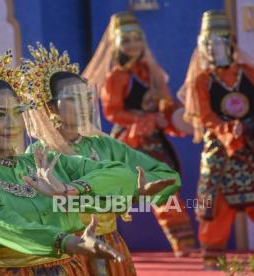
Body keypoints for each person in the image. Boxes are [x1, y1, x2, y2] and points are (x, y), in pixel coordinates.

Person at [0, 40, 179, 275]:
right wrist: (67, 241)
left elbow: (115, 170)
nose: (12, 124)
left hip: (68, 267)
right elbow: (7, 226)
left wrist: (71, 189)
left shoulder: (41, 161)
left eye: (17, 112)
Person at [23, 42, 183, 275]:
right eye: (71, 98)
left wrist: (143, 190)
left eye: (86, 97)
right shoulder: (39, 154)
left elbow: (167, 174)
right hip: (66, 250)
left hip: (108, 243)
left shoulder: (105, 145)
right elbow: (42, 206)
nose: (83, 106)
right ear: (51, 108)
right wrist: (118, 192)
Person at [83, 12, 196, 257]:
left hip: (154, 142)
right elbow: (113, 112)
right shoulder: (117, 76)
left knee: (165, 189)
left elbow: (164, 104)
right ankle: (96, 239)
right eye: (126, 40)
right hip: (129, 141)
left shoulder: (150, 72)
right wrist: (145, 119)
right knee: (114, 194)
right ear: (117, 44)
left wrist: (174, 115)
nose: (132, 45)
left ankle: (184, 247)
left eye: (137, 39)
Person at [178, 10, 254, 269]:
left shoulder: (248, 72)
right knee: (215, 202)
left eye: (219, 41)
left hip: (250, 143)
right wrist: (227, 131)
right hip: (220, 148)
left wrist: (246, 128)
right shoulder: (201, 80)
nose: (214, 48)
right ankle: (213, 258)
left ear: (230, 43)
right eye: (209, 44)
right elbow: (205, 115)